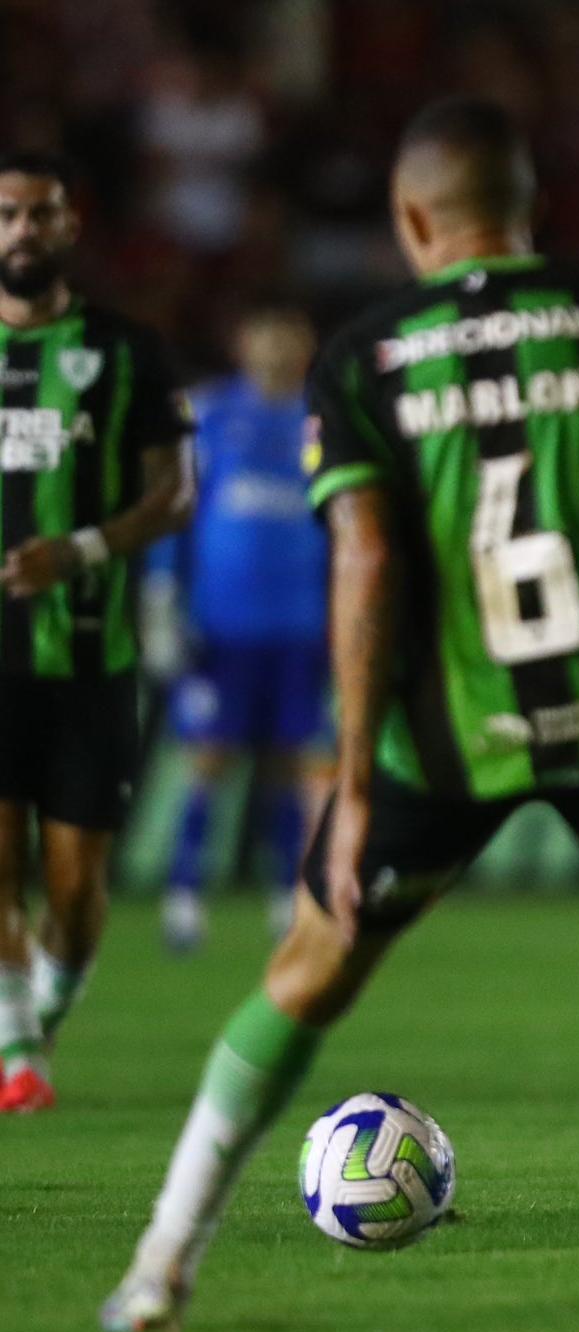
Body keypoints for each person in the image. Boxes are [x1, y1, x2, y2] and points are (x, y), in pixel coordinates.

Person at [102, 98, 579, 1332]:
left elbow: (367, 566)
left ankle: (160, 1267)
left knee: (309, 970)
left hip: (443, 732)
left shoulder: (365, 358)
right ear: (529, 208)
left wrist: (350, 777)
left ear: (411, 218)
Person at [0, 151, 194, 1114]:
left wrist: (77, 550)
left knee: (73, 893)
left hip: (89, 657)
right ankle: (15, 1054)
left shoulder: (127, 352)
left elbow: (175, 495)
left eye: (39, 215)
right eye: (6, 216)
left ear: (70, 226)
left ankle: (43, 1005)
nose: (22, 233)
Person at [145, 302, 331, 953]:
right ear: (242, 343)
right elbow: (176, 509)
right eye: (266, 338)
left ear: (307, 346)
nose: (277, 351)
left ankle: (286, 897)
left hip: (302, 626)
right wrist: (161, 594)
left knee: (290, 765)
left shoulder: (324, 419)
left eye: (289, 339)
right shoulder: (209, 414)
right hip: (222, 627)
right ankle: (184, 895)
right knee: (207, 762)